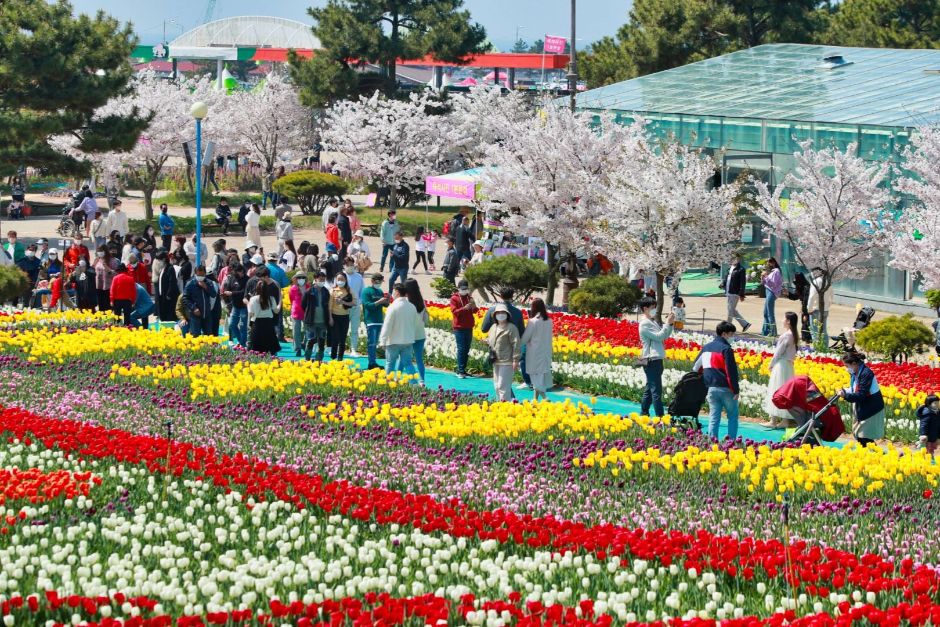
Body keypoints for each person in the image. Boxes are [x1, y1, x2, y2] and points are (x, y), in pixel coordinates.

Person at [693, 321, 741, 441]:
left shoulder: (706, 348)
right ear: (724, 334)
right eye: (731, 334)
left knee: (714, 418)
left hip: (711, 389)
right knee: (733, 417)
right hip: (726, 389)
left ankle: (711, 443)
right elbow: (731, 372)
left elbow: (695, 367)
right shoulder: (726, 349)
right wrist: (735, 390)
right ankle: (732, 443)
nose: (732, 337)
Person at [481, 287, 530, 388]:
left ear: (500, 296)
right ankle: (507, 399)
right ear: (512, 297)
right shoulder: (517, 312)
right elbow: (522, 332)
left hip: (497, 348)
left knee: (499, 380)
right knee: (504, 378)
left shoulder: (492, 310)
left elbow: (484, 329)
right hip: (511, 349)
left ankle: (506, 400)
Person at [637, 297, 675, 417]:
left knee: (650, 388)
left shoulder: (651, 321)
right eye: (652, 307)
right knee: (656, 390)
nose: (655, 310)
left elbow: (664, 335)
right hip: (651, 359)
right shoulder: (645, 324)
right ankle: (660, 418)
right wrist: (668, 323)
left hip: (654, 359)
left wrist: (670, 324)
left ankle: (644, 412)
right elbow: (659, 336)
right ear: (645, 308)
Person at [838, 351, 885, 447]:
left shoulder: (866, 373)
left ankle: (876, 455)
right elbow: (855, 388)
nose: (846, 369)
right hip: (863, 406)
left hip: (871, 407)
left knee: (864, 436)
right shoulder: (855, 372)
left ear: (854, 364)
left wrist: (845, 396)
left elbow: (861, 394)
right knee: (859, 435)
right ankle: (871, 455)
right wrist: (845, 390)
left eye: (847, 366)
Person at [764, 311, 799, 427]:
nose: (782, 320)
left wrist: (771, 364)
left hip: (781, 365)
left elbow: (778, 352)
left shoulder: (786, 335)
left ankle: (773, 420)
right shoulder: (793, 334)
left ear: (788, 321)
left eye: (784, 318)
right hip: (788, 366)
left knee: (776, 390)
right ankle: (785, 420)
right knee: (785, 392)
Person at [379, 283, 417, 376]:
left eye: (393, 291)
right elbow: (414, 324)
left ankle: (388, 384)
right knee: (408, 363)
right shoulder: (412, 306)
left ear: (397, 292)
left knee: (390, 364)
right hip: (408, 341)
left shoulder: (393, 307)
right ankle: (414, 383)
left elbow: (387, 325)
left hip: (393, 341)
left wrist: (382, 341)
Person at [520, 298, 553, 400]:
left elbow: (525, 338)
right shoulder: (549, 321)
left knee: (535, 376)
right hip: (545, 352)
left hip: (534, 352)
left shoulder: (533, 321)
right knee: (540, 375)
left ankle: (545, 398)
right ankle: (535, 399)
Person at [487, 303, 521, 401]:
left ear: (507, 314)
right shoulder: (493, 327)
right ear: (495, 315)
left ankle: (505, 407)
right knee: (497, 386)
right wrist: (487, 341)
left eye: (503, 312)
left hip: (507, 360)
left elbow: (516, 344)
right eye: (498, 313)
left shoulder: (511, 328)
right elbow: (492, 340)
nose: (500, 314)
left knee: (503, 386)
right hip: (495, 360)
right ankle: (500, 404)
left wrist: (515, 360)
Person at [301, 271, 332, 362]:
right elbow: (303, 305)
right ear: (315, 279)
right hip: (311, 321)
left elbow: (328, 305)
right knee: (311, 340)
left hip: (323, 321)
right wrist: (309, 313)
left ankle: (319, 360)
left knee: (321, 340)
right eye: (320, 279)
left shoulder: (326, 291)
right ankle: (307, 358)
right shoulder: (309, 291)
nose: (322, 281)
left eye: (323, 280)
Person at [449, 279, 477, 378]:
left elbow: (475, 311)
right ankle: (460, 370)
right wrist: (464, 308)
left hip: (469, 326)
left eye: (466, 289)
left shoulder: (470, 298)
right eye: (463, 289)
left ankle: (463, 370)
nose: (465, 291)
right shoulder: (454, 298)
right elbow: (454, 311)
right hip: (459, 327)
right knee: (461, 349)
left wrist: (474, 306)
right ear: (459, 289)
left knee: (467, 349)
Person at [360, 273, 388, 370]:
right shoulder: (366, 291)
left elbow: (385, 305)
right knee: (371, 342)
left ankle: (374, 362)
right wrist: (379, 301)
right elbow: (368, 305)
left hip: (379, 320)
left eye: (380, 281)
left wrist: (386, 301)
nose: (379, 283)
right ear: (372, 281)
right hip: (371, 320)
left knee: (375, 342)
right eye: (377, 281)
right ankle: (371, 363)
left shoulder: (380, 291)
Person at [404, 278, 428, 385]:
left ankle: (408, 379)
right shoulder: (421, 301)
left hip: (409, 334)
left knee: (405, 359)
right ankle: (422, 380)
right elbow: (425, 318)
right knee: (419, 359)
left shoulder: (407, 302)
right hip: (420, 334)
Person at [248, 280, 281, 355]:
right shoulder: (271, 299)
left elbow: (251, 313)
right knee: (271, 349)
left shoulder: (253, 299)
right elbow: (276, 311)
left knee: (256, 350)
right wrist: (280, 302)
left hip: (257, 324)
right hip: (268, 325)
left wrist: (248, 305)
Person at [183, 265, 217, 337]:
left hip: (207, 313)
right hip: (195, 314)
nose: (200, 277)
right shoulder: (190, 283)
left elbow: (213, 294)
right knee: (195, 336)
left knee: (208, 335)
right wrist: (194, 308)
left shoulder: (209, 282)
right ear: (195, 274)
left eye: (202, 275)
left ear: (205, 274)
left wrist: (206, 287)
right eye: (198, 275)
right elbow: (185, 298)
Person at [328, 272, 354, 360]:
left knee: (342, 338)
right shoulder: (333, 290)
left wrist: (343, 302)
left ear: (346, 280)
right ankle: (333, 357)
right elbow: (330, 306)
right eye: (338, 279)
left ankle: (340, 358)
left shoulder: (349, 290)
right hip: (335, 316)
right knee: (334, 338)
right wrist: (330, 318)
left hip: (345, 317)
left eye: (342, 279)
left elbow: (354, 303)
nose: (340, 281)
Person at [222, 263, 248, 346]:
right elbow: (228, 287)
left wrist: (232, 293)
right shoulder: (232, 278)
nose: (240, 274)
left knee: (243, 327)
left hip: (244, 306)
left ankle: (243, 345)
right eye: (238, 272)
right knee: (232, 325)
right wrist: (226, 292)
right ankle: (241, 341)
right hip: (235, 306)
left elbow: (244, 292)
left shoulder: (247, 279)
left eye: (241, 272)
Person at [725, 255, 751, 333]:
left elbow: (743, 283)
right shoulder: (730, 268)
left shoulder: (741, 269)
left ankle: (727, 328)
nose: (734, 260)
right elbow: (727, 278)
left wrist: (741, 294)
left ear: (739, 259)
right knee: (732, 310)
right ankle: (745, 324)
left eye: (736, 258)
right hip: (728, 291)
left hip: (735, 292)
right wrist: (723, 284)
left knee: (730, 310)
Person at [344, 258, 364, 356]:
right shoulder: (341, 276)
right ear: (344, 265)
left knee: (355, 329)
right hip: (343, 307)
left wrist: (358, 302)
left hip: (355, 307)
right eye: (348, 264)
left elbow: (362, 292)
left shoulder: (359, 277)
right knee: (342, 328)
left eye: (351, 264)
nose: (350, 266)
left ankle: (353, 349)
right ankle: (341, 347)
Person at [807, 267, 832, 344]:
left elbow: (812, 297)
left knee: (815, 331)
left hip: (816, 309)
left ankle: (817, 349)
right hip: (825, 309)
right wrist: (827, 306)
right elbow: (832, 296)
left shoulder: (816, 282)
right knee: (823, 330)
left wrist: (809, 309)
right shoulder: (828, 282)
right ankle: (825, 348)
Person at [155, 250, 180, 322]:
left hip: (168, 296)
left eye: (159, 260)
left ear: (163, 259)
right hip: (162, 295)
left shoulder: (170, 268)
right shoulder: (162, 268)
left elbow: (172, 282)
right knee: (163, 314)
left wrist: (169, 294)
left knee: (169, 315)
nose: (157, 262)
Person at [288, 272, 310, 357]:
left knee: (307, 330)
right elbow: (291, 299)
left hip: (306, 311)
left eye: (303, 277)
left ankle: (305, 344)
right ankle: (297, 348)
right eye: (299, 277)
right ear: (296, 279)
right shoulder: (293, 288)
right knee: (296, 331)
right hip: (296, 311)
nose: (301, 279)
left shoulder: (308, 287)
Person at [761, 258, 783, 337]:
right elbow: (764, 283)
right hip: (768, 291)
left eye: (769, 263)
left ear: (773, 263)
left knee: (770, 313)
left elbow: (773, 284)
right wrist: (763, 277)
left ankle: (773, 332)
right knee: (765, 313)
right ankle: (766, 331)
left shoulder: (776, 271)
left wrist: (766, 276)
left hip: (772, 292)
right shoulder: (771, 272)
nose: (767, 264)